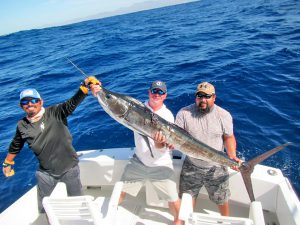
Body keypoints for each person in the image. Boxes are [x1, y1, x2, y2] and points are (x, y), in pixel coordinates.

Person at [2, 76, 101, 213]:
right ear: (21, 106)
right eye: (25, 101)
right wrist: (7, 162)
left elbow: (71, 104)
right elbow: (16, 145)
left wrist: (84, 85)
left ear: (41, 102)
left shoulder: (55, 112)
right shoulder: (22, 125)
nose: (30, 104)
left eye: (33, 100)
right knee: (45, 208)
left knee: (78, 204)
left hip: (69, 168)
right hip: (46, 173)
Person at [118, 81, 182, 225]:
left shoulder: (167, 116)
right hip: (138, 161)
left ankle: (179, 221)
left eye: (160, 92)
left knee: (173, 200)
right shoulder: (138, 108)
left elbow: (162, 149)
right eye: (154, 91)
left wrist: (159, 143)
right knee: (119, 191)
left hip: (161, 165)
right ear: (148, 92)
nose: (156, 94)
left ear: (165, 96)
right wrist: (97, 91)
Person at [175, 82, 241, 216]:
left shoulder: (224, 115)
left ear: (214, 97)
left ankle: (225, 221)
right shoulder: (184, 113)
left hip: (216, 166)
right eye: (199, 96)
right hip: (192, 165)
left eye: (207, 96)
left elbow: (229, 137)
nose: (203, 100)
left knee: (222, 200)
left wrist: (232, 156)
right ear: (195, 97)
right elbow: (175, 137)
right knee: (187, 200)